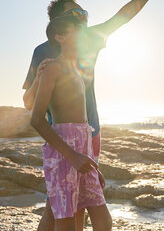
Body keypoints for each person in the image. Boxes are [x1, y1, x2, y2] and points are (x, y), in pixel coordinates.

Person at [23, 0, 164, 231]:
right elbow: (28, 105)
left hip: (90, 132)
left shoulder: (90, 38)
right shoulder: (43, 52)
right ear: (58, 26)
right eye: (75, 13)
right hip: (61, 136)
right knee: (58, 209)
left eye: (83, 12)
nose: (82, 17)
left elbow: (124, 15)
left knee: (79, 205)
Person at [30, 15, 110, 231]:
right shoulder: (53, 69)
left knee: (103, 220)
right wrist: (72, 155)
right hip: (63, 154)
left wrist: (92, 162)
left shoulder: (77, 69)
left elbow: (82, 124)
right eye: (77, 29)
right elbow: (36, 119)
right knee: (65, 224)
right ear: (60, 37)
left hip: (83, 154)